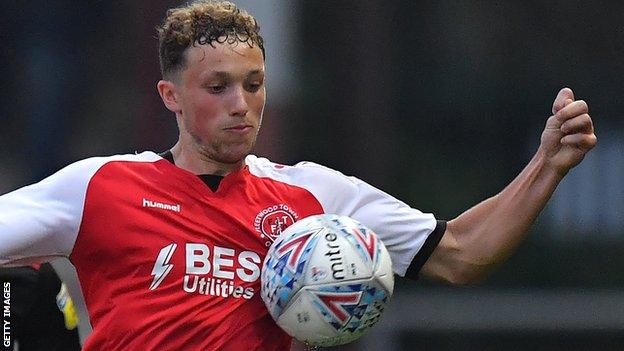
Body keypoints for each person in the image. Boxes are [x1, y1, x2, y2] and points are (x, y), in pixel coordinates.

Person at [0, 1, 596, 350]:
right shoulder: (97, 187)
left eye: (253, 84)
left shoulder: (314, 195)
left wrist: (547, 165)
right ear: (170, 96)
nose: (241, 104)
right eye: (218, 87)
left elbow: (463, 253)